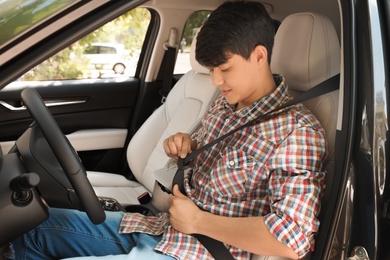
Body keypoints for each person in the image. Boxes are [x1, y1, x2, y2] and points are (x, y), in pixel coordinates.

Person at [8, 1, 327, 259]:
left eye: (225, 69)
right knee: (32, 229)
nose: (216, 81)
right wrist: (186, 144)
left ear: (259, 56)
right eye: (212, 70)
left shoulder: (297, 133)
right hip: (162, 229)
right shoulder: (227, 102)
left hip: (199, 252)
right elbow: (208, 152)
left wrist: (200, 221)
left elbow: (292, 240)